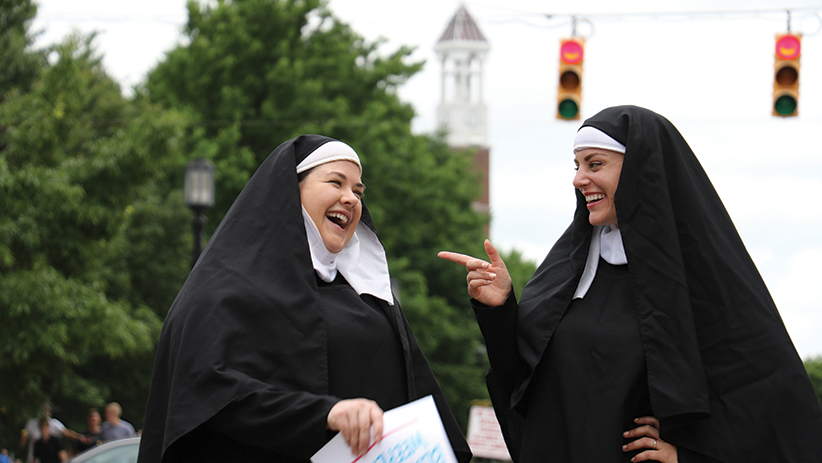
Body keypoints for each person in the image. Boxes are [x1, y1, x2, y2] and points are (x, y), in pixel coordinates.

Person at [439, 105, 822, 463]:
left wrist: (688, 455)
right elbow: (522, 386)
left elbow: (770, 402)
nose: (578, 178)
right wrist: (499, 308)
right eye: (576, 165)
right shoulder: (565, 272)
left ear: (642, 170)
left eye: (595, 164)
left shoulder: (704, 280)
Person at [137, 135, 471, 463]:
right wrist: (327, 413)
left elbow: (415, 397)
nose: (352, 198)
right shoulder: (226, 288)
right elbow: (207, 393)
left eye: (358, 191)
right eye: (336, 183)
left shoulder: (369, 299)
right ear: (290, 191)